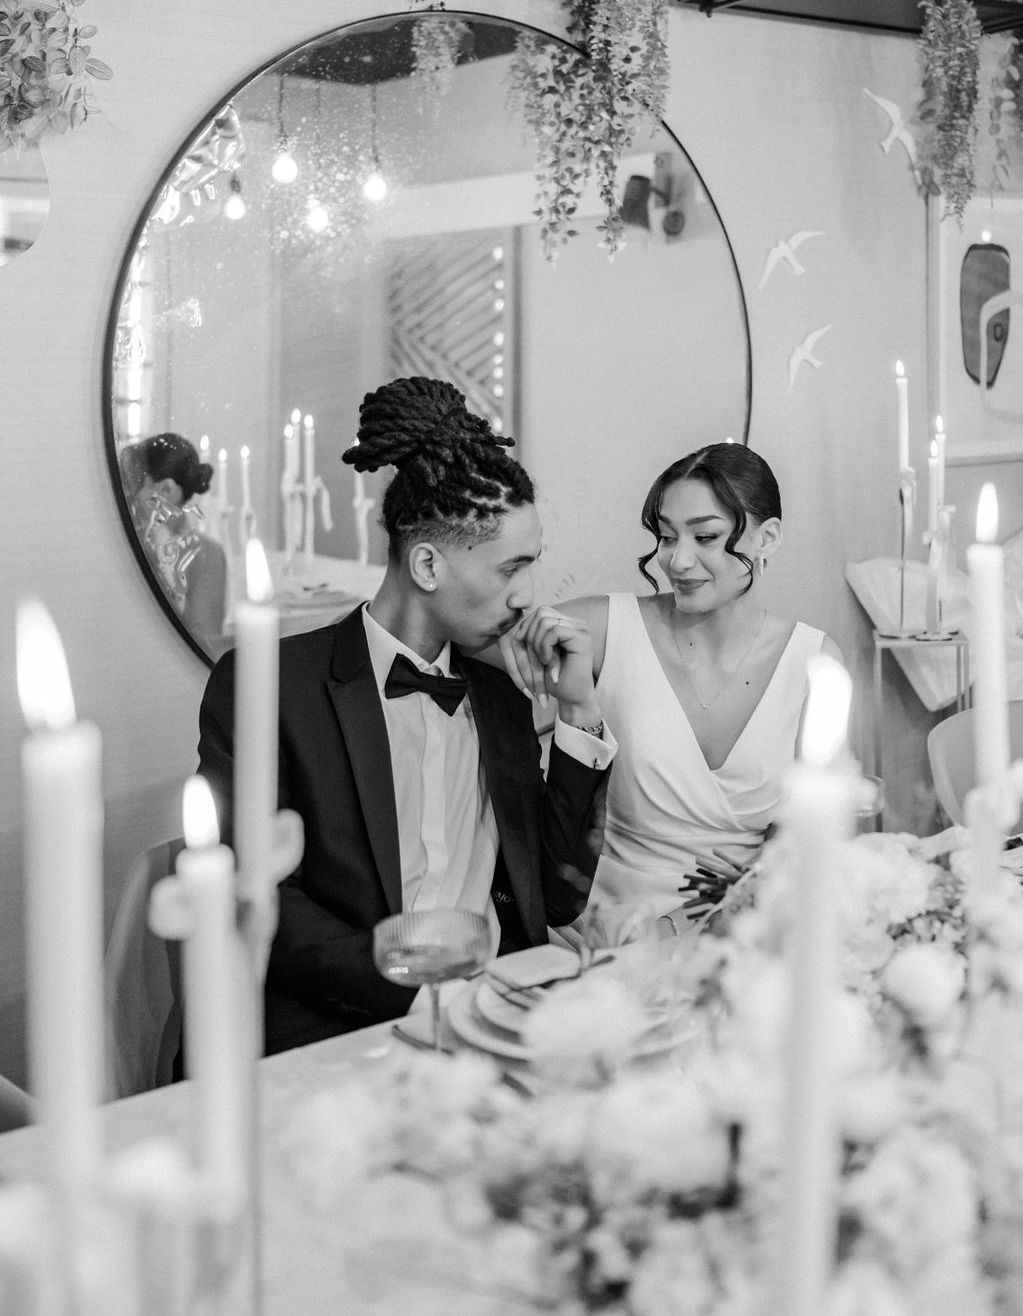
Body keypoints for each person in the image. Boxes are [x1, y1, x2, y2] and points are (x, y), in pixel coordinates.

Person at [198, 376, 615, 1054]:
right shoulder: (270, 686)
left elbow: (558, 896)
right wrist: (419, 997)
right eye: (511, 569)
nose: (528, 595)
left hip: (493, 1020)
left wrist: (578, 710)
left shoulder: (501, 690)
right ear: (426, 564)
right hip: (334, 1027)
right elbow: (262, 896)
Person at [500, 441, 841, 939]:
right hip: (603, 928)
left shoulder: (813, 664)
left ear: (767, 538)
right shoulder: (602, 629)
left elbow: (806, 843)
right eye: (665, 536)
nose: (677, 560)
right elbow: (468, 645)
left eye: (705, 537)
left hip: (740, 929)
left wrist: (722, 914)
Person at [122, 433, 227, 649]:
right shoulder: (133, 542)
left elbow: (202, 642)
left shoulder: (205, 553)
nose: (129, 496)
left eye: (136, 485)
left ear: (167, 489)